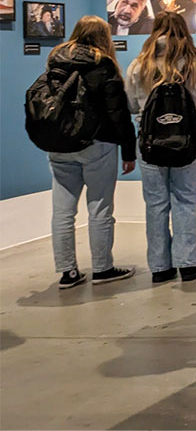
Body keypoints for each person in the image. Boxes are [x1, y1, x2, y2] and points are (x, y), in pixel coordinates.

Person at [43, 15, 138, 289]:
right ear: (104, 37)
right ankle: (102, 268)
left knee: (62, 212)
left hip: (59, 144)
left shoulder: (55, 59)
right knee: (100, 208)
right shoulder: (103, 64)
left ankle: (67, 273)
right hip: (97, 144)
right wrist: (128, 151)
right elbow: (117, 113)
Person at [126, 11, 196, 284]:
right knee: (185, 199)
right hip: (188, 141)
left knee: (156, 203)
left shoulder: (140, 64)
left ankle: (160, 267)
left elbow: (132, 105)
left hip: (150, 142)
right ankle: (188, 264)